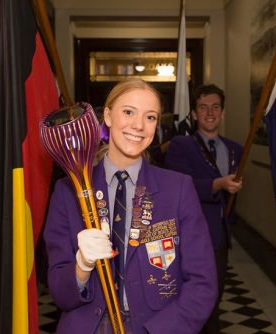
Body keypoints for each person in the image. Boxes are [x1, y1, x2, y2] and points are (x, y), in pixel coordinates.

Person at [44, 78, 217, 334]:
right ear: (108, 116)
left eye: (150, 117)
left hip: (156, 327)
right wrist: (81, 266)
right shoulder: (69, 192)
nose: (139, 125)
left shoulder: (178, 189)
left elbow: (203, 284)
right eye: (128, 112)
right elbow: (60, 293)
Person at [164, 83, 243, 334]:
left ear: (222, 112)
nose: (210, 112)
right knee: (191, 300)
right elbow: (179, 187)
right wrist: (218, 184)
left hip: (219, 238)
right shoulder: (180, 145)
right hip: (190, 237)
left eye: (215, 107)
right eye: (203, 107)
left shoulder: (235, 149)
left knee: (214, 296)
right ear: (194, 114)